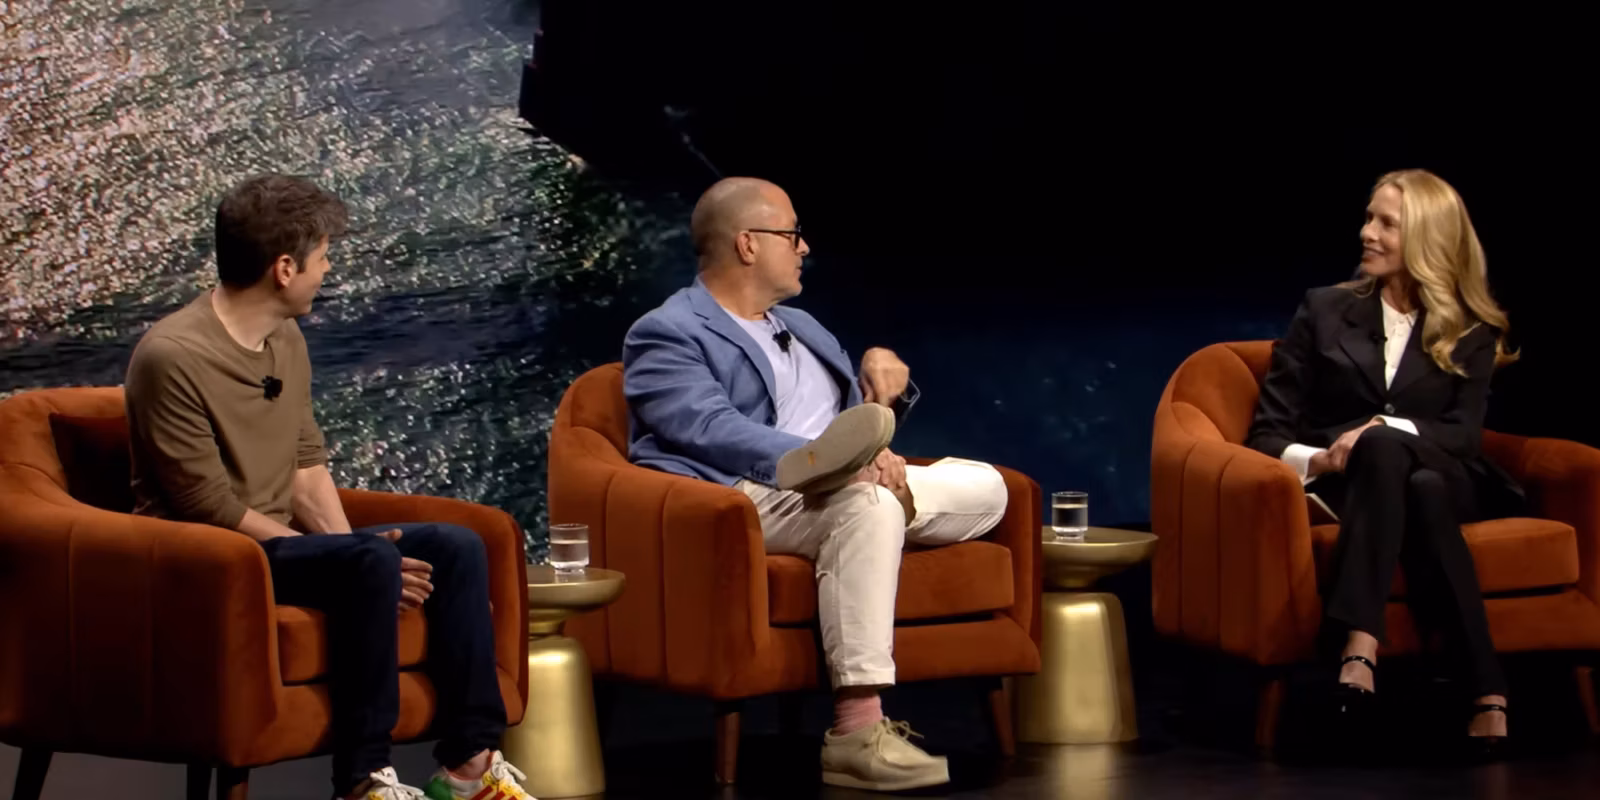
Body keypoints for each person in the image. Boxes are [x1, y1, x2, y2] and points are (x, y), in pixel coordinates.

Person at [124, 175, 536, 800]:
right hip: (210, 557)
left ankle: (469, 769)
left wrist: (360, 557)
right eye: (322, 257)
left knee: (456, 546)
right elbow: (203, 505)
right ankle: (362, 783)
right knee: (368, 560)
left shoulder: (284, 338)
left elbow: (305, 467)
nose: (329, 269)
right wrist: (357, 560)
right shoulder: (171, 355)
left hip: (279, 546)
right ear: (284, 268)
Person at [622, 177, 1010, 791]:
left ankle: (893, 500)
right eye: (792, 234)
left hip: (840, 483)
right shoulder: (666, 332)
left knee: (988, 487)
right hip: (747, 494)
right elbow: (710, 429)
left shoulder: (803, 326)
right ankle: (857, 733)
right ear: (748, 243)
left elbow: (849, 425)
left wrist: (879, 403)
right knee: (865, 505)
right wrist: (827, 462)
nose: (804, 247)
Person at [1246, 168, 1523, 757]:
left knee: (1402, 457)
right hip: (1358, 487)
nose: (1366, 232)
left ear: (1426, 237)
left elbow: (1464, 437)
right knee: (1418, 486)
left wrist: (1380, 429)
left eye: (1387, 223)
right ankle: (1487, 689)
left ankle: (1359, 641)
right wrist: (1324, 458)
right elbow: (1267, 435)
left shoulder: (1471, 328)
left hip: (1456, 477)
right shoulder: (1323, 310)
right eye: (1369, 218)